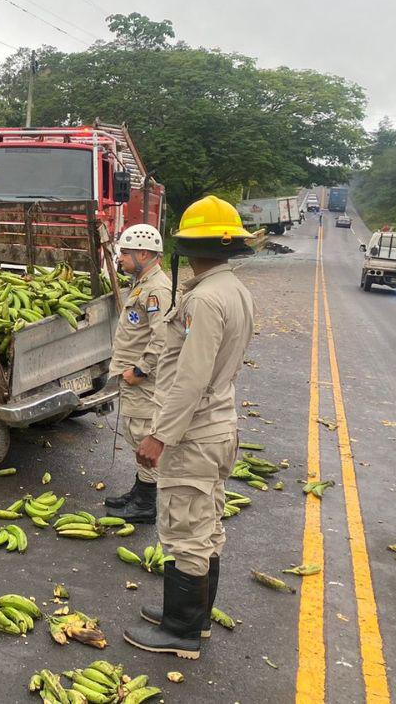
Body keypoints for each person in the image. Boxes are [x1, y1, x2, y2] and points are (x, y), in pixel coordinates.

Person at [123, 196, 255, 660]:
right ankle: (191, 620)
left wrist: (159, 436)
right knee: (206, 522)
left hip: (195, 432)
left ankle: (181, 631)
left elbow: (190, 378)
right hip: (218, 425)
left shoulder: (204, 298)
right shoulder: (234, 290)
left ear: (187, 246)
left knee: (186, 530)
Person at [104, 223, 172, 524]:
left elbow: (163, 337)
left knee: (143, 435)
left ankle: (146, 503)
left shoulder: (156, 289)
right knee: (135, 434)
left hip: (143, 380)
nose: (121, 258)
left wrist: (141, 370)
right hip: (134, 376)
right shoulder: (143, 282)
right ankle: (140, 489)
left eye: (126, 253)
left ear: (143, 253)